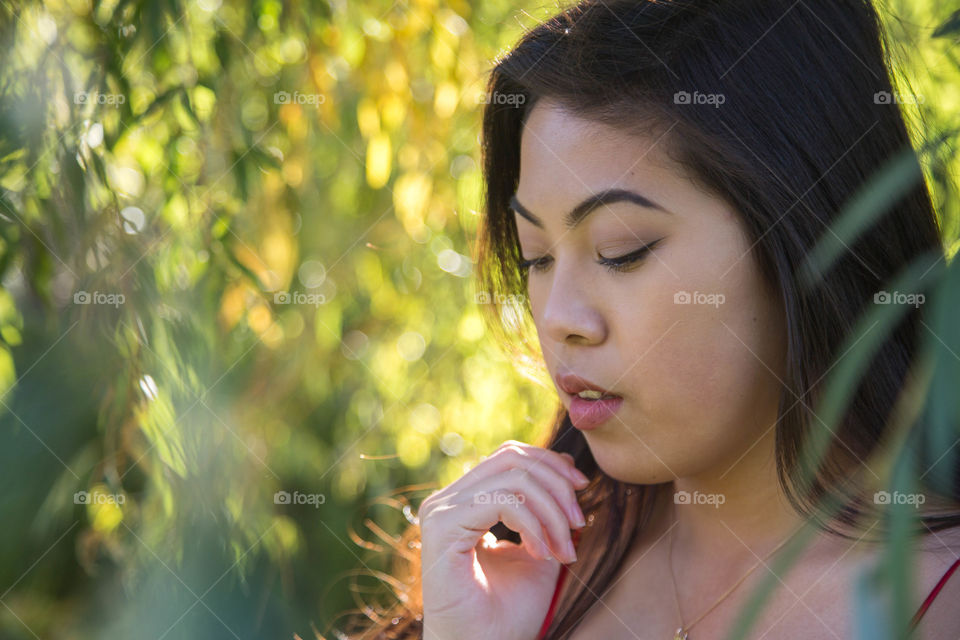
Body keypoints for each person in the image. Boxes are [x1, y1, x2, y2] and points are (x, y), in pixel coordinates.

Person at [330, 1, 960, 638]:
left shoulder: (936, 603)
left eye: (620, 251)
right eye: (536, 257)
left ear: (804, 237)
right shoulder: (511, 576)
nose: (557, 319)